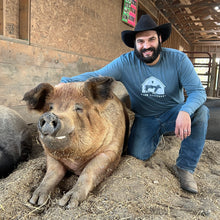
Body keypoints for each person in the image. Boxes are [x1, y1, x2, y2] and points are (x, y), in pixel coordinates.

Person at [60, 14, 209, 194]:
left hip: (173, 113)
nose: (146, 46)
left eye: (151, 39)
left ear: (160, 39)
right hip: (145, 117)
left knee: (201, 113)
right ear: (135, 44)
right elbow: (97, 76)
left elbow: (198, 92)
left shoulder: (178, 60)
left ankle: (185, 168)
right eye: (141, 41)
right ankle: (155, 136)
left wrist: (185, 111)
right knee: (136, 155)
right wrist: (65, 81)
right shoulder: (125, 62)